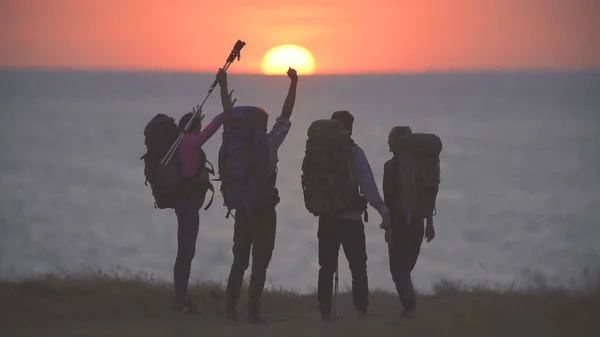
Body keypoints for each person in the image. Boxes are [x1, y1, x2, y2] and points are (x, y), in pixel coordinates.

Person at [218, 67, 298, 324]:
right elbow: (286, 115)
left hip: (242, 208)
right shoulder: (270, 143)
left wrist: (223, 85)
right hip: (264, 210)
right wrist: (294, 84)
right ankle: (253, 312)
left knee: (238, 262)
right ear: (262, 125)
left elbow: (228, 117)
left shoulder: (234, 139)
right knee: (260, 264)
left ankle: (230, 311)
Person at [316, 110, 391, 320]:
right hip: (351, 219)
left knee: (326, 267)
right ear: (351, 128)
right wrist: (383, 211)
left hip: (327, 216)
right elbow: (368, 186)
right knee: (358, 266)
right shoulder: (355, 152)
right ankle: (361, 309)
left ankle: (324, 311)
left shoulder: (321, 152)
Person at [172, 70, 234, 313]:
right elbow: (220, 121)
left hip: (182, 203)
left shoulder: (179, 142)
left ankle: (180, 299)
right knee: (186, 252)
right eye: (198, 125)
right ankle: (180, 303)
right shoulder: (191, 141)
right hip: (188, 205)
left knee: (184, 250)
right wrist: (223, 88)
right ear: (194, 126)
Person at [382, 126, 436, 319]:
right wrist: (429, 223)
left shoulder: (391, 166)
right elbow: (428, 194)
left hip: (400, 224)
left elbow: (389, 200)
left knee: (398, 270)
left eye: (390, 139)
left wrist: (388, 226)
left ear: (398, 142)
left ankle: (410, 308)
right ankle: (409, 306)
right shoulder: (422, 165)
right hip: (419, 225)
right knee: (405, 268)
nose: (388, 143)